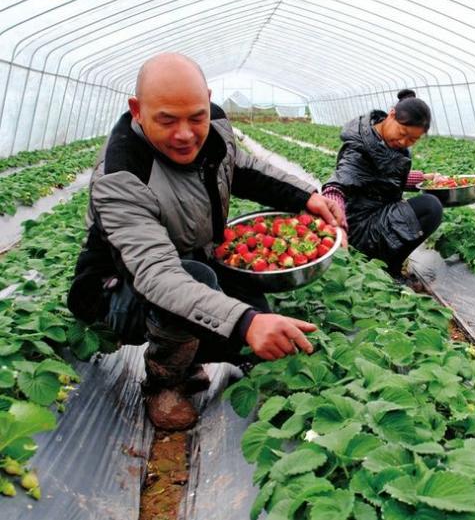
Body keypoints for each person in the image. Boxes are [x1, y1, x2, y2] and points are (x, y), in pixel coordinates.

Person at [67, 53, 345, 431]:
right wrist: (245, 323)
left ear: (207, 101)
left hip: (191, 260)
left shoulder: (213, 127)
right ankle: (164, 383)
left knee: (242, 290)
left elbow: (242, 168)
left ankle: (198, 349)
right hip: (117, 292)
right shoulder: (122, 175)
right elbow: (156, 275)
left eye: (195, 116)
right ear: (137, 110)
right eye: (167, 120)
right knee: (200, 285)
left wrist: (306, 197)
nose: (185, 133)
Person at [321, 90, 444, 279]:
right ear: (391, 114)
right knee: (430, 207)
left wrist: (425, 178)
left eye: (412, 140)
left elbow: (385, 176)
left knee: (430, 202)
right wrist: (335, 223)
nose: (404, 142)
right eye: (402, 133)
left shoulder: (379, 140)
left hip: (375, 217)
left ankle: (388, 262)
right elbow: (337, 184)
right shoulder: (359, 148)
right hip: (358, 229)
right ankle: (389, 268)